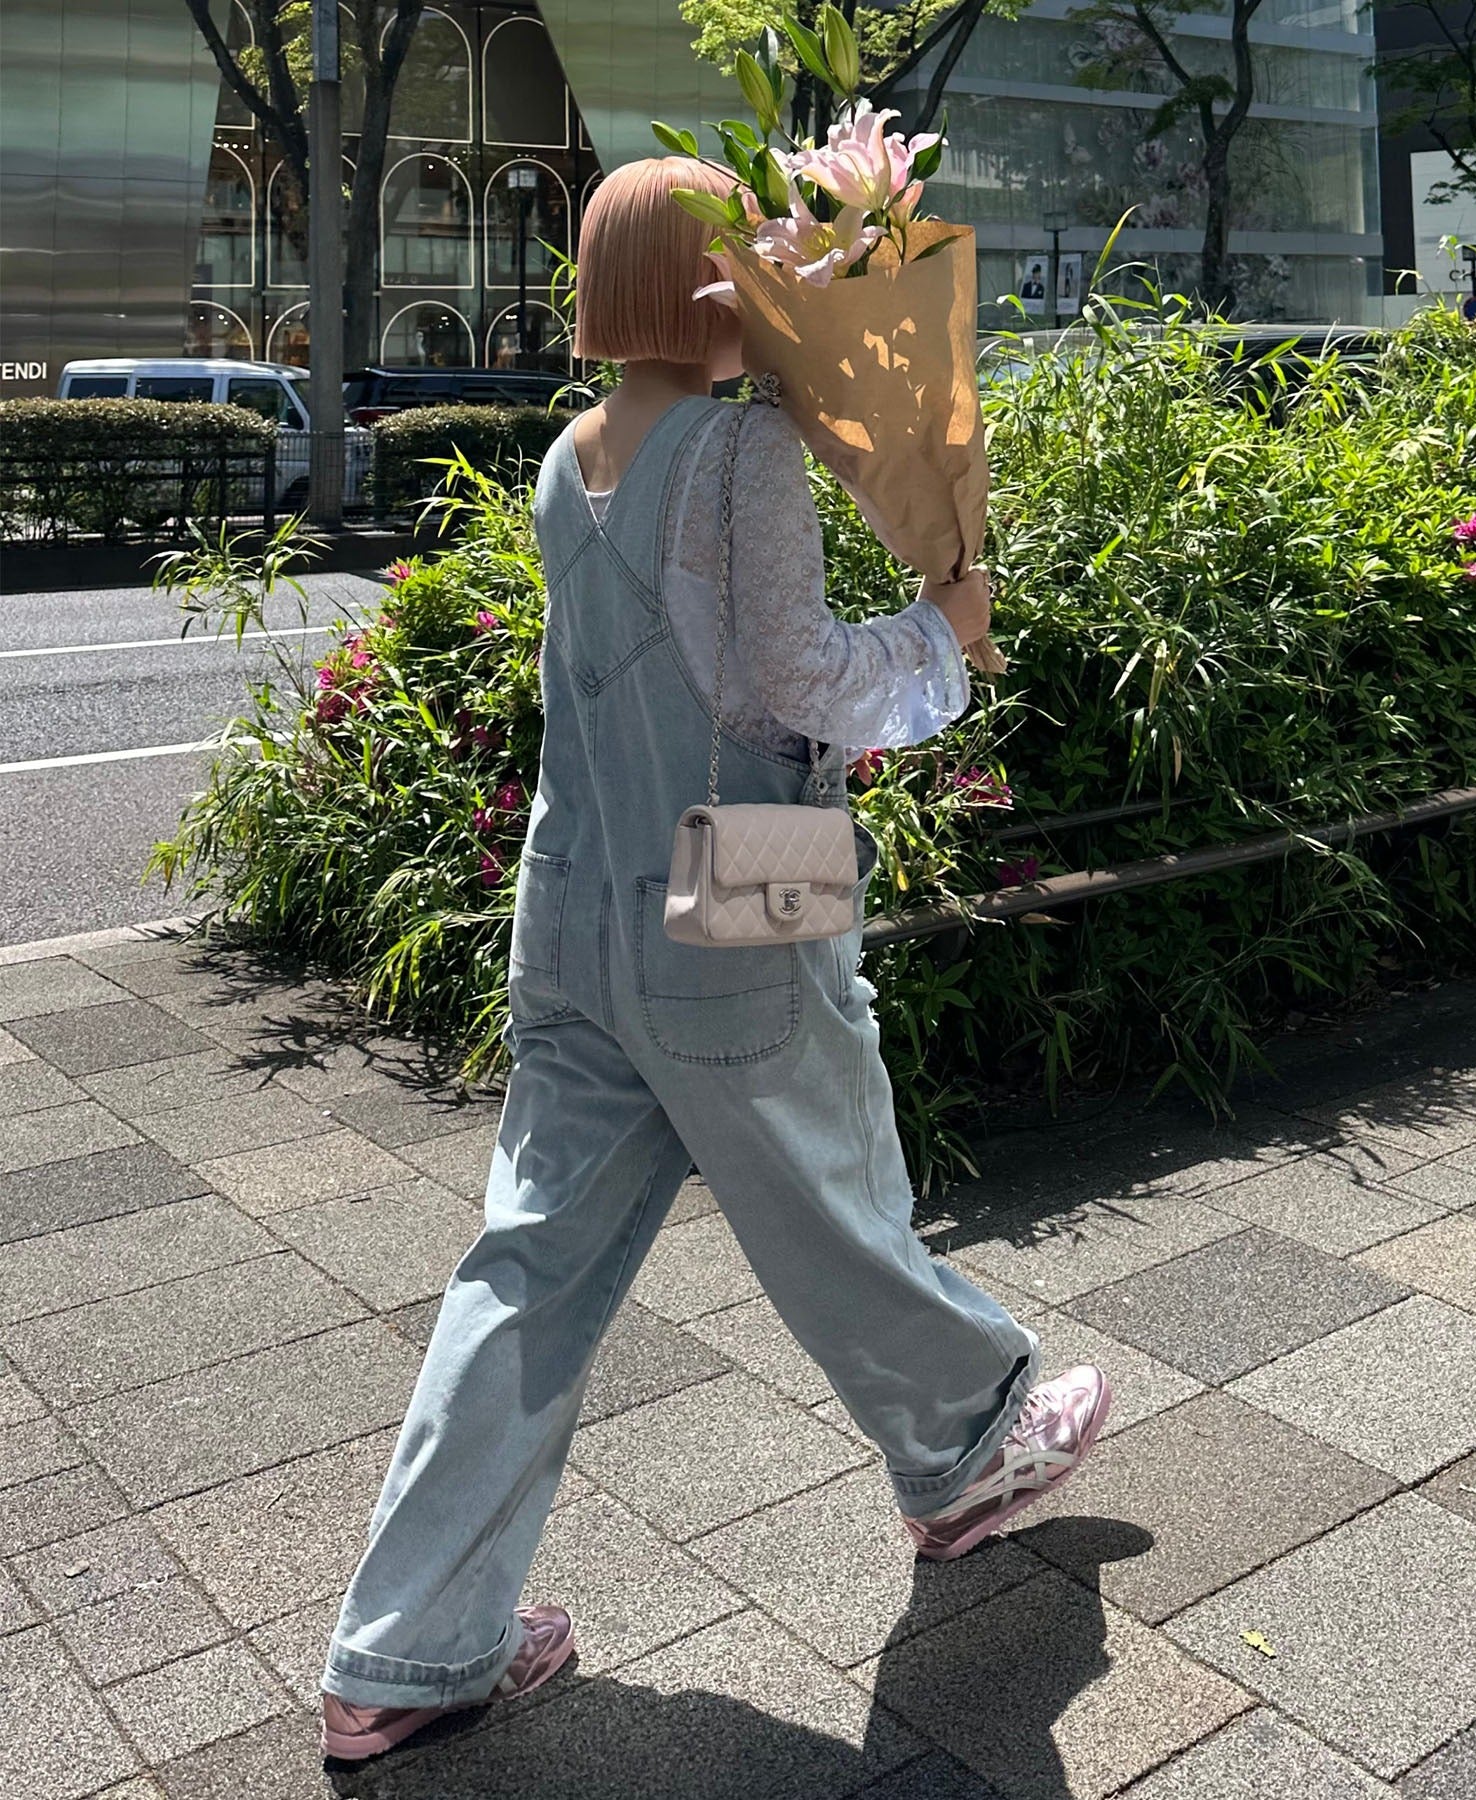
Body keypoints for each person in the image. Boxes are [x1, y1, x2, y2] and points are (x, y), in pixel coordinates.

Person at [319, 156, 1111, 1765]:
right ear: (713, 287)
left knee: (528, 1271)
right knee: (833, 1188)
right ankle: (969, 1444)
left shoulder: (569, 458)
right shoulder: (743, 446)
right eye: (755, 259)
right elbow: (793, 680)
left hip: (573, 907)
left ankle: (403, 1653)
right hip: (739, 874)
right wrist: (946, 634)